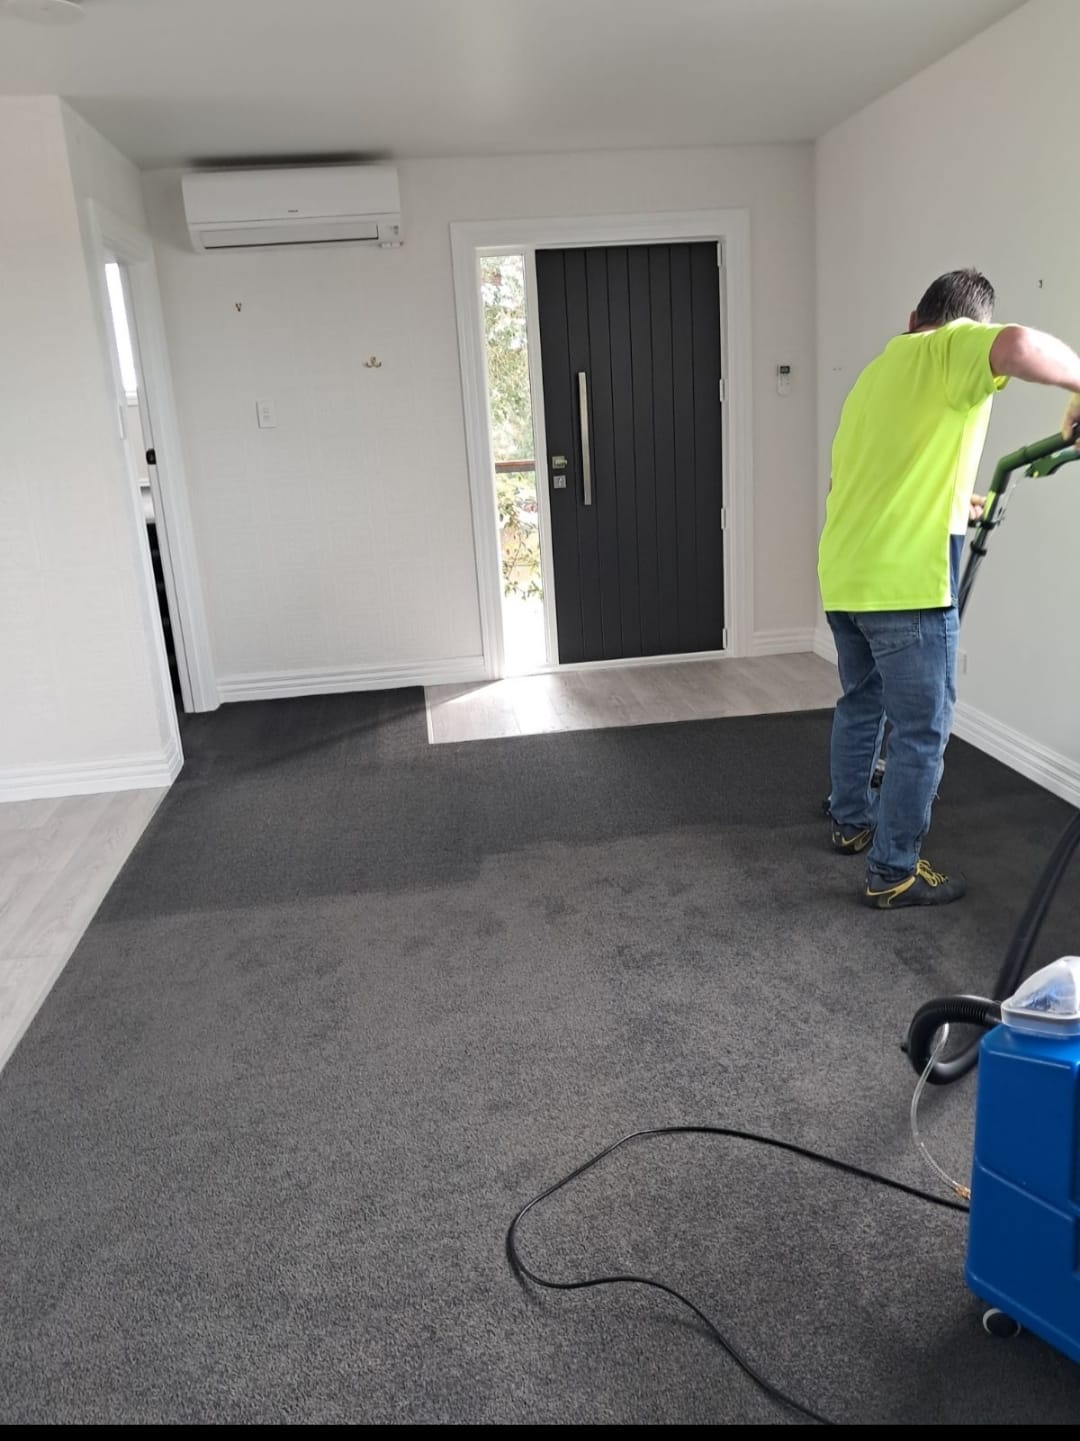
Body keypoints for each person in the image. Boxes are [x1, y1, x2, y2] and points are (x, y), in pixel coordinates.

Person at [818, 269, 1080, 909]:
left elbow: (890, 475)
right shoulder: (952, 346)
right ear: (964, 325)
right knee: (922, 730)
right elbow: (1016, 345)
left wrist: (955, 501)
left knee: (861, 701)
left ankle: (851, 821)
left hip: (846, 577)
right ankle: (894, 872)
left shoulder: (877, 375)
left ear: (912, 316)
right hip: (906, 585)